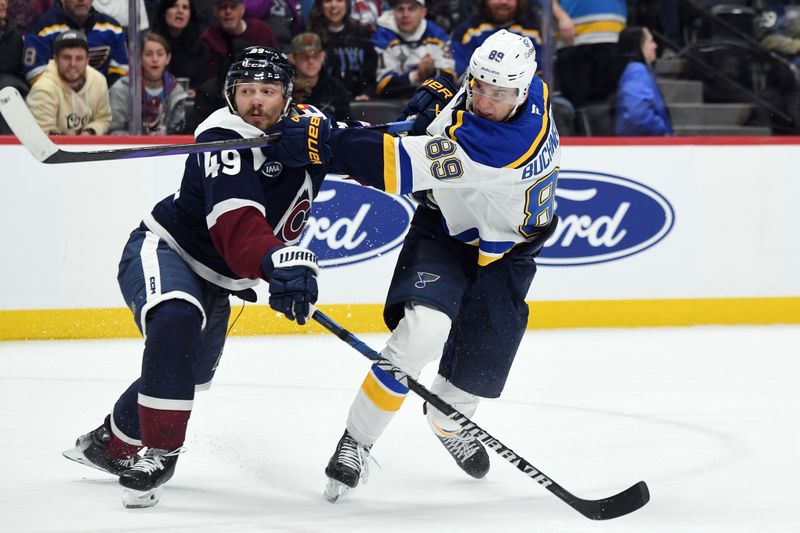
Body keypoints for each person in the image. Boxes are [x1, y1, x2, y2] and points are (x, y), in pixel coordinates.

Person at [267, 29, 560, 501]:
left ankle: (446, 423)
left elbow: (393, 164)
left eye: (497, 92)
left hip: (508, 254)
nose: (484, 99)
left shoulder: (497, 146)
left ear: (522, 89)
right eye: (477, 85)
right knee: (420, 335)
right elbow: (461, 108)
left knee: (467, 384)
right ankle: (356, 443)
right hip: (448, 229)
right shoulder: (531, 92)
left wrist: (324, 142)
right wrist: (449, 89)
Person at [61, 46, 331, 508]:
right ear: (231, 94)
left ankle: (109, 444)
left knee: (186, 372)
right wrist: (276, 264)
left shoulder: (309, 129)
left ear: (287, 96)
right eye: (247, 91)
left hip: (219, 282)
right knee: (175, 320)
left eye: (268, 91)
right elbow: (238, 226)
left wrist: (429, 129)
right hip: (166, 248)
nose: (257, 102)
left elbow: (364, 152)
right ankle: (160, 449)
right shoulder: (221, 134)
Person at [451, 0, 575, 79]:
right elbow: (460, 73)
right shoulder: (466, 32)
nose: (504, 2)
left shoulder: (533, 33)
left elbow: (541, 73)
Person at [22, 0, 129, 87]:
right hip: (57, 100)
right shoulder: (42, 28)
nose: (81, 0)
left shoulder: (113, 29)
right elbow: (34, 73)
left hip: (101, 99)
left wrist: (98, 92)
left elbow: (121, 70)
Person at [25, 29, 112, 135]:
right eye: (67, 58)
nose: (73, 64)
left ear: (87, 60)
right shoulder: (43, 88)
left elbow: (103, 119)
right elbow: (41, 137)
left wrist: (90, 132)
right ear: (55, 59)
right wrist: (73, 144)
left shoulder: (99, 81)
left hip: (88, 147)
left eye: (79, 58)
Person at [109, 32, 188, 134]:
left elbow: (179, 133)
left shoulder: (177, 91)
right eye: (148, 54)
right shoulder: (121, 89)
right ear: (140, 59)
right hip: (131, 148)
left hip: (167, 148)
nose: (154, 59)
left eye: (160, 54)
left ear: (168, 58)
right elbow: (115, 131)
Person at [372, 0, 455, 99]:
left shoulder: (438, 35)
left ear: (423, 12)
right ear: (393, 11)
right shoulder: (383, 37)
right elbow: (382, 87)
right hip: (395, 103)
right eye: (400, 9)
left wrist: (432, 72)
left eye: (411, 9)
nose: (405, 15)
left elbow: (451, 79)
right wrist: (417, 75)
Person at [555, 0, 627, 108]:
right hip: (575, 38)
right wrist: (560, 16)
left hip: (614, 36)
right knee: (578, 107)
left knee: (609, 107)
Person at [307, 0, 377, 100]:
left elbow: (370, 72)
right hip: (325, 101)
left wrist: (367, 93)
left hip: (361, 99)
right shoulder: (312, 36)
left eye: (339, 0)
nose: (334, 5)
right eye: (327, 1)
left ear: (347, 3)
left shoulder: (360, 32)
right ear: (320, 5)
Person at [614, 26, 673, 136]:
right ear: (639, 46)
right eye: (650, 42)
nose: (655, 46)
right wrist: (661, 129)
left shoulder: (634, 70)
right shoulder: (637, 71)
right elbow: (636, 113)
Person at [200, 0, 278, 83]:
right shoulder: (209, 37)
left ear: (242, 9)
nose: (228, 12)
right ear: (216, 12)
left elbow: (276, 66)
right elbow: (209, 78)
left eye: (233, 7)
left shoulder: (261, 30)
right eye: (223, 7)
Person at [288, 32, 351, 119]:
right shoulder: (285, 88)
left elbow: (347, 124)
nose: (311, 61)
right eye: (304, 56)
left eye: (316, 56)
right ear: (293, 58)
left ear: (322, 56)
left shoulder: (336, 88)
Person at [150, 0, 207, 92]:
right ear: (164, 12)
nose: (180, 11)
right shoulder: (152, 44)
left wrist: (196, 91)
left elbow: (203, 80)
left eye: (185, 7)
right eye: (174, 6)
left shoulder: (200, 45)